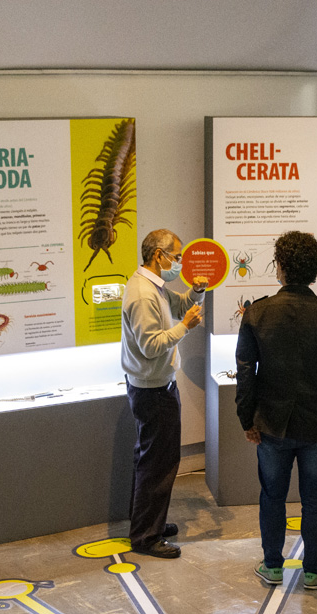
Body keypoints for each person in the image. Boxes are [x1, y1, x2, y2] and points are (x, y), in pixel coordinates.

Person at [235, 231, 317, 590]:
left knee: (272, 495)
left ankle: (273, 565)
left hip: (271, 423)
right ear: (315, 269)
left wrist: (247, 418)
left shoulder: (257, 312)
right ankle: (315, 570)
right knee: (314, 499)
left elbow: (246, 373)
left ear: (281, 267)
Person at [121, 229, 208, 558]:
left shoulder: (153, 286)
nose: (180, 263)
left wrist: (196, 291)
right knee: (158, 463)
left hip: (154, 385)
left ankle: (146, 520)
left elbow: (180, 303)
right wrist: (184, 326)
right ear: (158, 255)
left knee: (151, 458)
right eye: (176, 256)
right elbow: (151, 344)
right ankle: (146, 536)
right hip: (152, 389)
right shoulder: (143, 294)